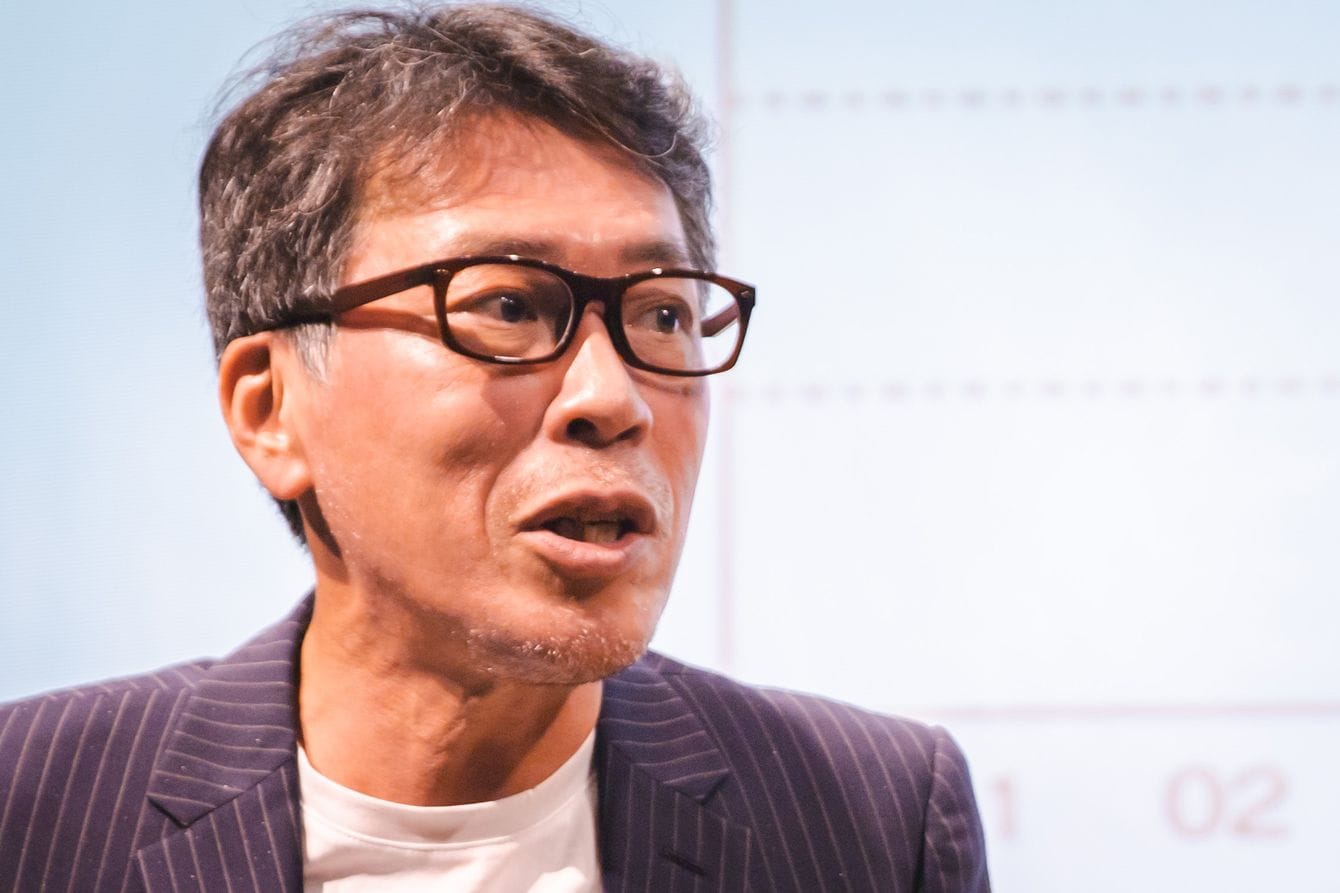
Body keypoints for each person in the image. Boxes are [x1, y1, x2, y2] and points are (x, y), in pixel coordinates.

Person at [0, 4, 989, 890]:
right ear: (271, 408)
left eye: (659, 314)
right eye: (508, 306)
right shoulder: (31, 808)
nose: (612, 399)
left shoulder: (870, 822)